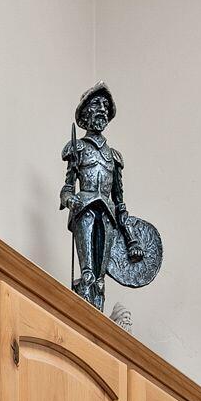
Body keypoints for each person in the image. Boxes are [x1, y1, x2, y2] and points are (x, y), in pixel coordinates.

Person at [60, 84, 129, 310]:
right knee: (88, 275)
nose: (102, 109)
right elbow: (67, 187)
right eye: (96, 104)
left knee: (100, 282)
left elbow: (119, 202)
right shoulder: (77, 148)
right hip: (85, 210)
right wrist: (70, 200)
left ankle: (97, 322)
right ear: (86, 112)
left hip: (107, 216)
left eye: (105, 105)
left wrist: (132, 239)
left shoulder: (114, 156)